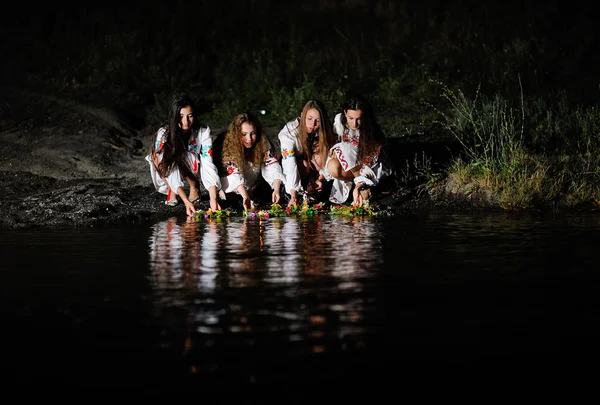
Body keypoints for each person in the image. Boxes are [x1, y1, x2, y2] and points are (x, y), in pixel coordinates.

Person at [146, 94, 222, 217]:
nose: (185, 122)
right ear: (174, 117)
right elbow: (166, 165)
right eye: (180, 117)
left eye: (189, 116)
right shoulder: (164, 133)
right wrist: (186, 201)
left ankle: (193, 185)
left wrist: (213, 199)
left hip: (193, 166)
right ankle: (172, 187)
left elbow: (208, 162)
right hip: (168, 167)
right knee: (158, 155)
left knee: (187, 154)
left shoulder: (203, 132)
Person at [325, 95, 394, 206]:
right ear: (345, 113)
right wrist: (334, 151)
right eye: (350, 118)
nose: (354, 123)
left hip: (370, 167)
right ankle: (360, 186)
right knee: (333, 166)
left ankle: (363, 186)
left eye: (359, 119)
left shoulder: (371, 130)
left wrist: (360, 182)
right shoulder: (339, 121)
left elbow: (371, 161)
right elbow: (335, 142)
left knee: (343, 148)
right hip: (350, 165)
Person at [213, 112, 285, 210]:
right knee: (232, 204)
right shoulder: (228, 145)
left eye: (253, 134)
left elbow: (271, 165)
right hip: (232, 187)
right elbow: (232, 174)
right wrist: (245, 196)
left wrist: (276, 189)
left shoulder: (261, 142)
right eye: (244, 134)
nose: (249, 139)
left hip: (253, 184)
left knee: (275, 193)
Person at [278, 99, 336, 207]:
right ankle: (293, 194)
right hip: (294, 167)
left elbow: (329, 157)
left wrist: (321, 178)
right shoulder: (289, 132)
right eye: (309, 118)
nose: (312, 124)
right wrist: (293, 194)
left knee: (320, 156)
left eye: (317, 121)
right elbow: (289, 163)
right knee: (304, 164)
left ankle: (313, 191)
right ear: (302, 115)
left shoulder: (325, 132)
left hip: (313, 170)